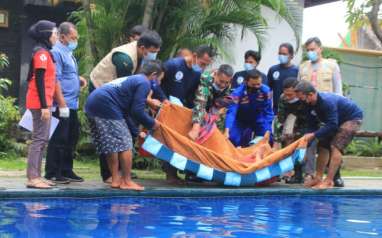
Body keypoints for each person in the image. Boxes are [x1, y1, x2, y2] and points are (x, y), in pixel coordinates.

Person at [89, 30, 162, 183]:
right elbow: (131, 105)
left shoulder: (141, 65)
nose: (153, 55)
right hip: (104, 96)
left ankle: (116, 178)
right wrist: (152, 124)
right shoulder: (126, 59)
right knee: (123, 141)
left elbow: (129, 99)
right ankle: (124, 179)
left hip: (100, 99)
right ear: (142, 48)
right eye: (152, 52)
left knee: (114, 138)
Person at [295, 80, 363, 189]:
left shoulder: (327, 102)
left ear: (311, 95)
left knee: (335, 146)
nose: (300, 101)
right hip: (335, 121)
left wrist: (313, 135)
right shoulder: (307, 104)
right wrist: (307, 142)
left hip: (351, 118)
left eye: (302, 98)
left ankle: (329, 180)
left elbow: (332, 125)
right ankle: (318, 177)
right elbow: (311, 125)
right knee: (322, 146)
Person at [25, 20, 67, 189]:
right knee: (39, 139)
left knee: (42, 140)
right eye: (54, 33)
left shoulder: (45, 52)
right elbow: (40, 81)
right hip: (39, 101)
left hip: (44, 101)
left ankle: (37, 176)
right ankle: (33, 177)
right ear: (46, 35)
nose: (56, 36)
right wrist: (44, 106)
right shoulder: (41, 53)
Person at [44, 22, 87, 184]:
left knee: (71, 137)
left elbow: (69, 75)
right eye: (73, 38)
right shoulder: (56, 53)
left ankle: (66, 170)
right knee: (59, 138)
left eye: (76, 38)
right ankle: (53, 172)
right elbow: (56, 79)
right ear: (62, 37)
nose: (75, 41)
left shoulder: (69, 53)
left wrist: (78, 79)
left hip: (72, 103)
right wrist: (61, 104)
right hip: (62, 103)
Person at [299, 37, 344, 186]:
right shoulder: (303, 67)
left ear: (320, 48)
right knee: (311, 141)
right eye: (308, 50)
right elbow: (299, 89)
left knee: (331, 143)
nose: (311, 52)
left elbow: (338, 90)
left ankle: (335, 175)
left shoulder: (331, 65)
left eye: (313, 49)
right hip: (310, 109)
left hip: (328, 109)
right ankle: (310, 174)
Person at [274, 78, 318, 183]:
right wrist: (279, 137)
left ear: (298, 92)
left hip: (308, 124)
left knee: (306, 146)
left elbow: (312, 118)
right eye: (286, 94)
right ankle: (296, 175)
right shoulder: (283, 98)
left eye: (291, 95)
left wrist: (300, 133)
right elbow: (281, 118)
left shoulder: (305, 98)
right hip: (292, 121)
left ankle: (309, 174)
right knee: (288, 145)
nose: (288, 97)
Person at [225, 70, 274, 147]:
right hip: (240, 120)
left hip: (258, 119)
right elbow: (231, 112)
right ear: (246, 82)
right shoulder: (237, 93)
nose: (257, 87)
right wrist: (227, 130)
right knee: (232, 138)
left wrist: (268, 129)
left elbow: (268, 112)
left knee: (268, 138)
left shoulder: (267, 92)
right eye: (253, 85)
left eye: (259, 84)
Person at [188, 64, 234, 141]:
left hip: (210, 110)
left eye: (226, 82)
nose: (223, 85)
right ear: (215, 74)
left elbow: (221, 105)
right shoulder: (205, 80)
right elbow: (200, 102)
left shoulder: (227, 86)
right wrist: (196, 128)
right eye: (221, 81)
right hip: (192, 107)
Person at [267, 43, 299, 114]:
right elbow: (268, 90)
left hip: (293, 110)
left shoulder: (297, 71)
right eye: (280, 53)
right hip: (276, 110)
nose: (281, 56)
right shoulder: (273, 69)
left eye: (284, 54)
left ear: (291, 55)